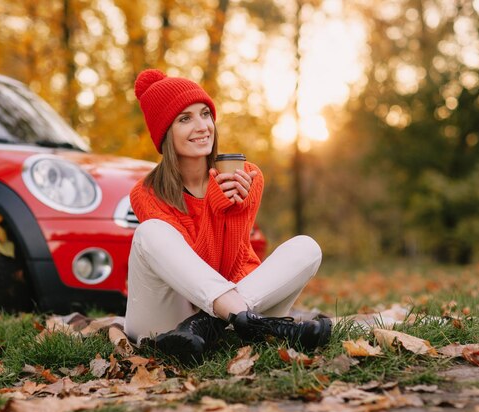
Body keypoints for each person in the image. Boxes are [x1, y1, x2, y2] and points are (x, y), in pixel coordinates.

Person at [124, 69, 331, 364]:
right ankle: (260, 325)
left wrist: (235, 210)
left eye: (205, 114)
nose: (202, 126)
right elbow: (194, 277)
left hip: (232, 309)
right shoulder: (146, 193)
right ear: (165, 133)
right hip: (166, 318)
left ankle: (212, 328)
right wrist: (213, 207)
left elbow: (230, 266)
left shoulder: (248, 177)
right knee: (150, 232)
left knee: (307, 247)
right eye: (185, 119)